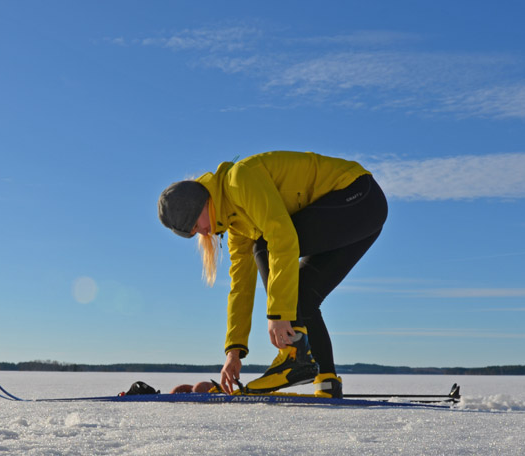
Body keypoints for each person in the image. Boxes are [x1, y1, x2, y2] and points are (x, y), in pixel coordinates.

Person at [158, 151, 388, 397]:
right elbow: (241, 287)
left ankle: (294, 355)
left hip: (358, 197)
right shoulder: (237, 227)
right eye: (193, 233)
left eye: (195, 224)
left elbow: (282, 237)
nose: (202, 233)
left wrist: (279, 316)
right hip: (362, 215)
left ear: (201, 202)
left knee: (267, 247)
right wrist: (233, 351)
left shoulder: (239, 179)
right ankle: (327, 381)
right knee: (300, 294)